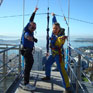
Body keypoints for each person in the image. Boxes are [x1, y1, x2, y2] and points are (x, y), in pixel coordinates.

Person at [42, 13, 71, 93]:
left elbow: (60, 40)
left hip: (59, 55)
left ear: (59, 29)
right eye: (53, 28)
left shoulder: (60, 36)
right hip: (53, 54)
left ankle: (67, 88)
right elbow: (54, 22)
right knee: (47, 64)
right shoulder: (53, 33)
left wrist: (62, 38)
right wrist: (53, 16)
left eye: (56, 29)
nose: (54, 30)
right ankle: (48, 76)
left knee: (62, 70)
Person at [21, 7, 38, 91]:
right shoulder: (27, 30)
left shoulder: (30, 31)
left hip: (27, 50)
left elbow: (30, 36)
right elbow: (26, 35)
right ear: (29, 25)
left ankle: (26, 78)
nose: (33, 29)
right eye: (33, 27)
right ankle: (26, 83)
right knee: (28, 65)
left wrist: (34, 39)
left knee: (29, 65)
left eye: (35, 28)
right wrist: (29, 38)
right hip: (26, 50)